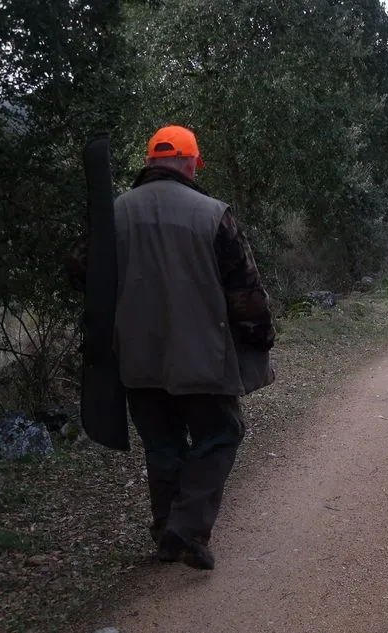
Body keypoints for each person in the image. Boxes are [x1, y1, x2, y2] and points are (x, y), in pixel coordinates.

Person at [67, 125, 276, 571]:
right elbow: (246, 291)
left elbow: (82, 273)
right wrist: (261, 336)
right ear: (189, 163)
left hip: (136, 357)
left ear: (150, 162)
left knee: (162, 444)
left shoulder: (114, 213)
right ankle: (187, 526)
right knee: (220, 434)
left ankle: (166, 533)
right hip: (202, 355)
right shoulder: (213, 214)